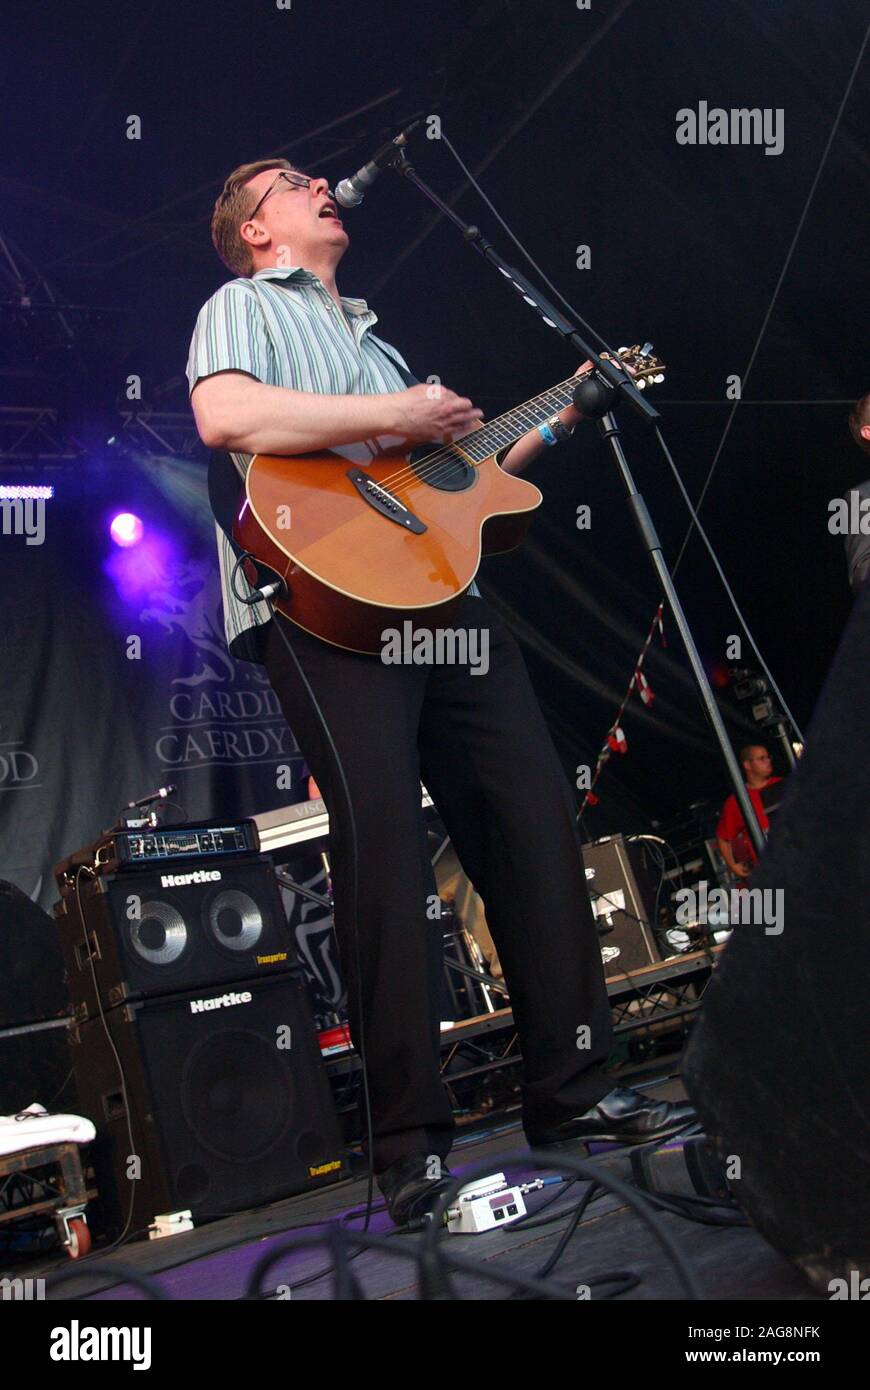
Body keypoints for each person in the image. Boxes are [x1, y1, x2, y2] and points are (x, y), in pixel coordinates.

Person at [186, 157, 693, 1225]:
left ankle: (577, 1092)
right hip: (318, 600)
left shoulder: (376, 339)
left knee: (531, 819)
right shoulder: (241, 305)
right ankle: (411, 1146)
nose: (323, 181)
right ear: (257, 230)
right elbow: (226, 418)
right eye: (292, 179)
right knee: (382, 854)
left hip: (436, 598)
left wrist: (566, 412)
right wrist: (400, 408)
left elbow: (464, 480)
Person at [716, 745, 783, 879]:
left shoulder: (782, 784)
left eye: (768, 757)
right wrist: (733, 866)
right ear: (747, 765)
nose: (768, 761)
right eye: (761, 758)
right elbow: (723, 838)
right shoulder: (737, 801)